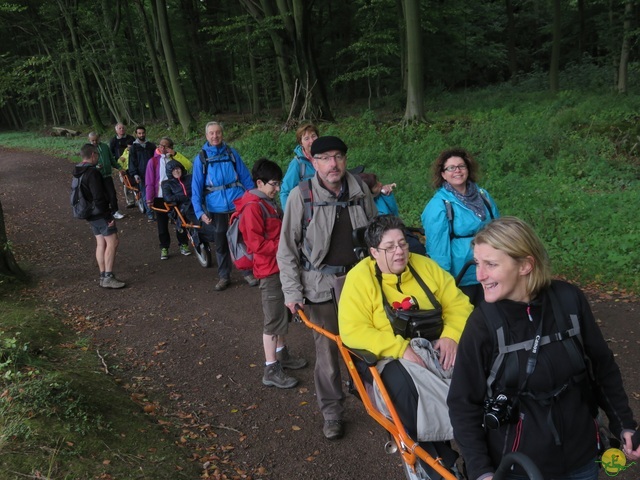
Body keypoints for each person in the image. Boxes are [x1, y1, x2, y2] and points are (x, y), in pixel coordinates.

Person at [447, 217, 638, 480]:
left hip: (582, 459)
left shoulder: (569, 301)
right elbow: (463, 403)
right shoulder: (483, 325)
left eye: (490, 264)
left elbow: (601, 367)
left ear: (525, 265)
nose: (479, 275)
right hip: (517, 469)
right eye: (478, 263)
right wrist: (482, 471)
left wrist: (624, 424)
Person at [338, 215, 472, 478]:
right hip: (388, 355)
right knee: (404, 387)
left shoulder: (425, 266)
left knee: (476, 375)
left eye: (403, 244)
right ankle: (434, 461)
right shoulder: (359, 279)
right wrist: (399, 349)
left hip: (437, 344)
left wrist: (452, 336)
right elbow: (352, 330)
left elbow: (459, 304)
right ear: (374, 252)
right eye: (390, 247)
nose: (400, 251)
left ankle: (476, 446)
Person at [277, 135, 377, 440]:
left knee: (368, 346)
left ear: (345, 159)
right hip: (321, 288)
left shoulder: (360, 189)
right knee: (328, 352)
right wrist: (293, 294)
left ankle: (374, 401)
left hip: (362, 284)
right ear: (313, 162)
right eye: (324, 158)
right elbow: (287, 250)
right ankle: (332, 412)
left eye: (338, 156)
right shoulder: (301, 196)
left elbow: (376, 236)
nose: (332, 164)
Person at [233, 158, 308, 389]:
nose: (277, 189)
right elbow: (255, 245)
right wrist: (285, 245)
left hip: (280, 268)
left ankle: (282, 354)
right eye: (274, 184)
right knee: (273, 320)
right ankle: (270, 368)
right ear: (259, 182)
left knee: (283, 314)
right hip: (268, 271)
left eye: (278, 184)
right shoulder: (254, 207)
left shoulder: (266, 202)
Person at [421, 148, 499, 306]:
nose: (457, 170)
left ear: (468, 169)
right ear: (443, 174)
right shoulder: (438, 205)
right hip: (463, 275)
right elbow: (438, 249)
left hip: (490, 269)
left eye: (461, 166)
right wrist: (444, 282)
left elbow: (498, 227)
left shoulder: (483, 195)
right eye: (451, 168)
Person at [191, 121, 257, 291]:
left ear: (222, 134)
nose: (215, 136)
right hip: (216, 207)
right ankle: (224, 276)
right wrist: (199, 211)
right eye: (211, 133)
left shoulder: (231, 153)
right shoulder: (201, 158)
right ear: (206, 136)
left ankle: (247, 272)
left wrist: (255, 198)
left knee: (242, 239)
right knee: (220, 241)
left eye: (218, 133)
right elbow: (196, 187)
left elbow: (245, 177)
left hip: (237, 203)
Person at [72, 143, 125, 289]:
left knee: (101, 243)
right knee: (112, 242)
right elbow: (99, 197)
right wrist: (108, 216)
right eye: (97, 155)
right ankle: (108, 276)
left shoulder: (78, 171)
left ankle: (103, 275)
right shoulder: (93, 173)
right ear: (93, 155)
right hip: (99, 213)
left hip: (88, 213)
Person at [145, 137, 192, 260]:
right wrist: (149, 198)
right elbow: (149, 181)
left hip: (176, 194)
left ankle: (183, 244)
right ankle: (164, 247)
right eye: (160, 145)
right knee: (162, 223)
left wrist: (175, 154)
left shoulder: (175, 158)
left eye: (165, 146)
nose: (162, 148)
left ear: (171, 147)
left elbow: (188, 165)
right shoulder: (153, 161)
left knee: (180, 220)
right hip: (160, 197)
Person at [279, 123, 318, 209]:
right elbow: (285, 192)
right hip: (308, 214)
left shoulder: (326, 159)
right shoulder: (297, 164)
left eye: (313, 136)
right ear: (301, 143)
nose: (311, 141)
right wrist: (289, 217)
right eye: (306, 138)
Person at [88, 132, 124, 220]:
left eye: (96, 140)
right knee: (101, 196)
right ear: (89, 140)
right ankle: (104, 212)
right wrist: (96, 167)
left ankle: (115, 211)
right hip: (96, 177)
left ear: (99, 138)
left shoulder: (104, 146)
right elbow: (87, 163)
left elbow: (111, 159)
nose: (95, 142)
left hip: (107, 175)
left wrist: (119, 167)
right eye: (93, 140)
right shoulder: (88, 149)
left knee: (112, 193)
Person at [128, 125, 156, 220]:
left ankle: (157, 209)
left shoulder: (151, 146)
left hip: (153, 172)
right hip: (142, 174)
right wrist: (135, 174)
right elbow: (131, 162)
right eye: (139, 133)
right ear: (136, 134)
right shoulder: (134, 148)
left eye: (143, 133)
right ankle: (149, 212)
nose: (141, 135)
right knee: (145, 193)